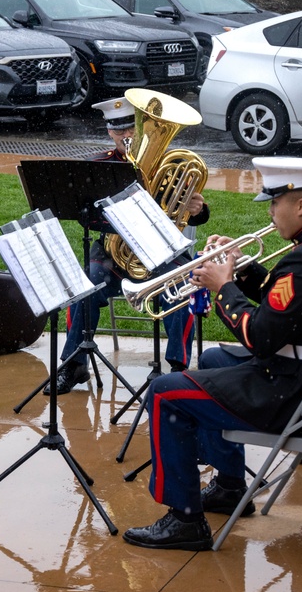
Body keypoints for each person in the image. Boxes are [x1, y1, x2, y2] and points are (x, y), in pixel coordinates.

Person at [123, 157, 302, 551]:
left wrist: (223, 288)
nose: (271, 213)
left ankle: (185, 521)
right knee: (214, 361)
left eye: (274, 204)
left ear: (301, 205)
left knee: (165, 392)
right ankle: (229, 485)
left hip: (295, 395)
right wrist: (239, 271)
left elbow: (259, 337)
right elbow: (290, 304)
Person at [46, 96, 210, 394]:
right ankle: (74, 364)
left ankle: (177, 369)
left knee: (183, 287)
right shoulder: (100, 167)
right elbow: (85, 217)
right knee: (86, 284)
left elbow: (195, 213)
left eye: (130, 128)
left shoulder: (168, 166)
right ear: (110, 132)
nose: (126, 136)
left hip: (160, 254)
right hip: (113, 256)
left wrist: (197, 209)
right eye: (118, 130)